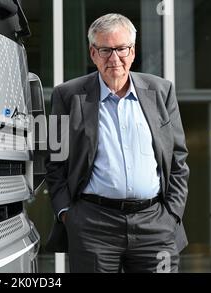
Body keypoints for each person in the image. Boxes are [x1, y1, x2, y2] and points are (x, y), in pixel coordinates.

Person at [45, 13, 189, 273]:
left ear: (132, 51)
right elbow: (54, 160)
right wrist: (67, 213)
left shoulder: (162, 91)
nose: (114, 58)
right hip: (93, 227)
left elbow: (177, 157)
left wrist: (172, 215)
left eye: (121, 48)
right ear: (93, 53)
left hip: (155, 226)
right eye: (105, 50)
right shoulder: (67, 95)